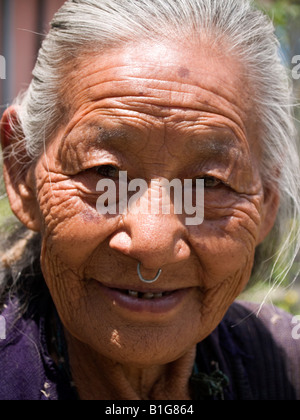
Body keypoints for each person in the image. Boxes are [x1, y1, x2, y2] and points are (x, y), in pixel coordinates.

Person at [0, 0, 300, 400]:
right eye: (105, 172)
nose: (152, 246)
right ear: (23, 174)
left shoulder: (283, 367)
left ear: (267, 200)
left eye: (208, 182)